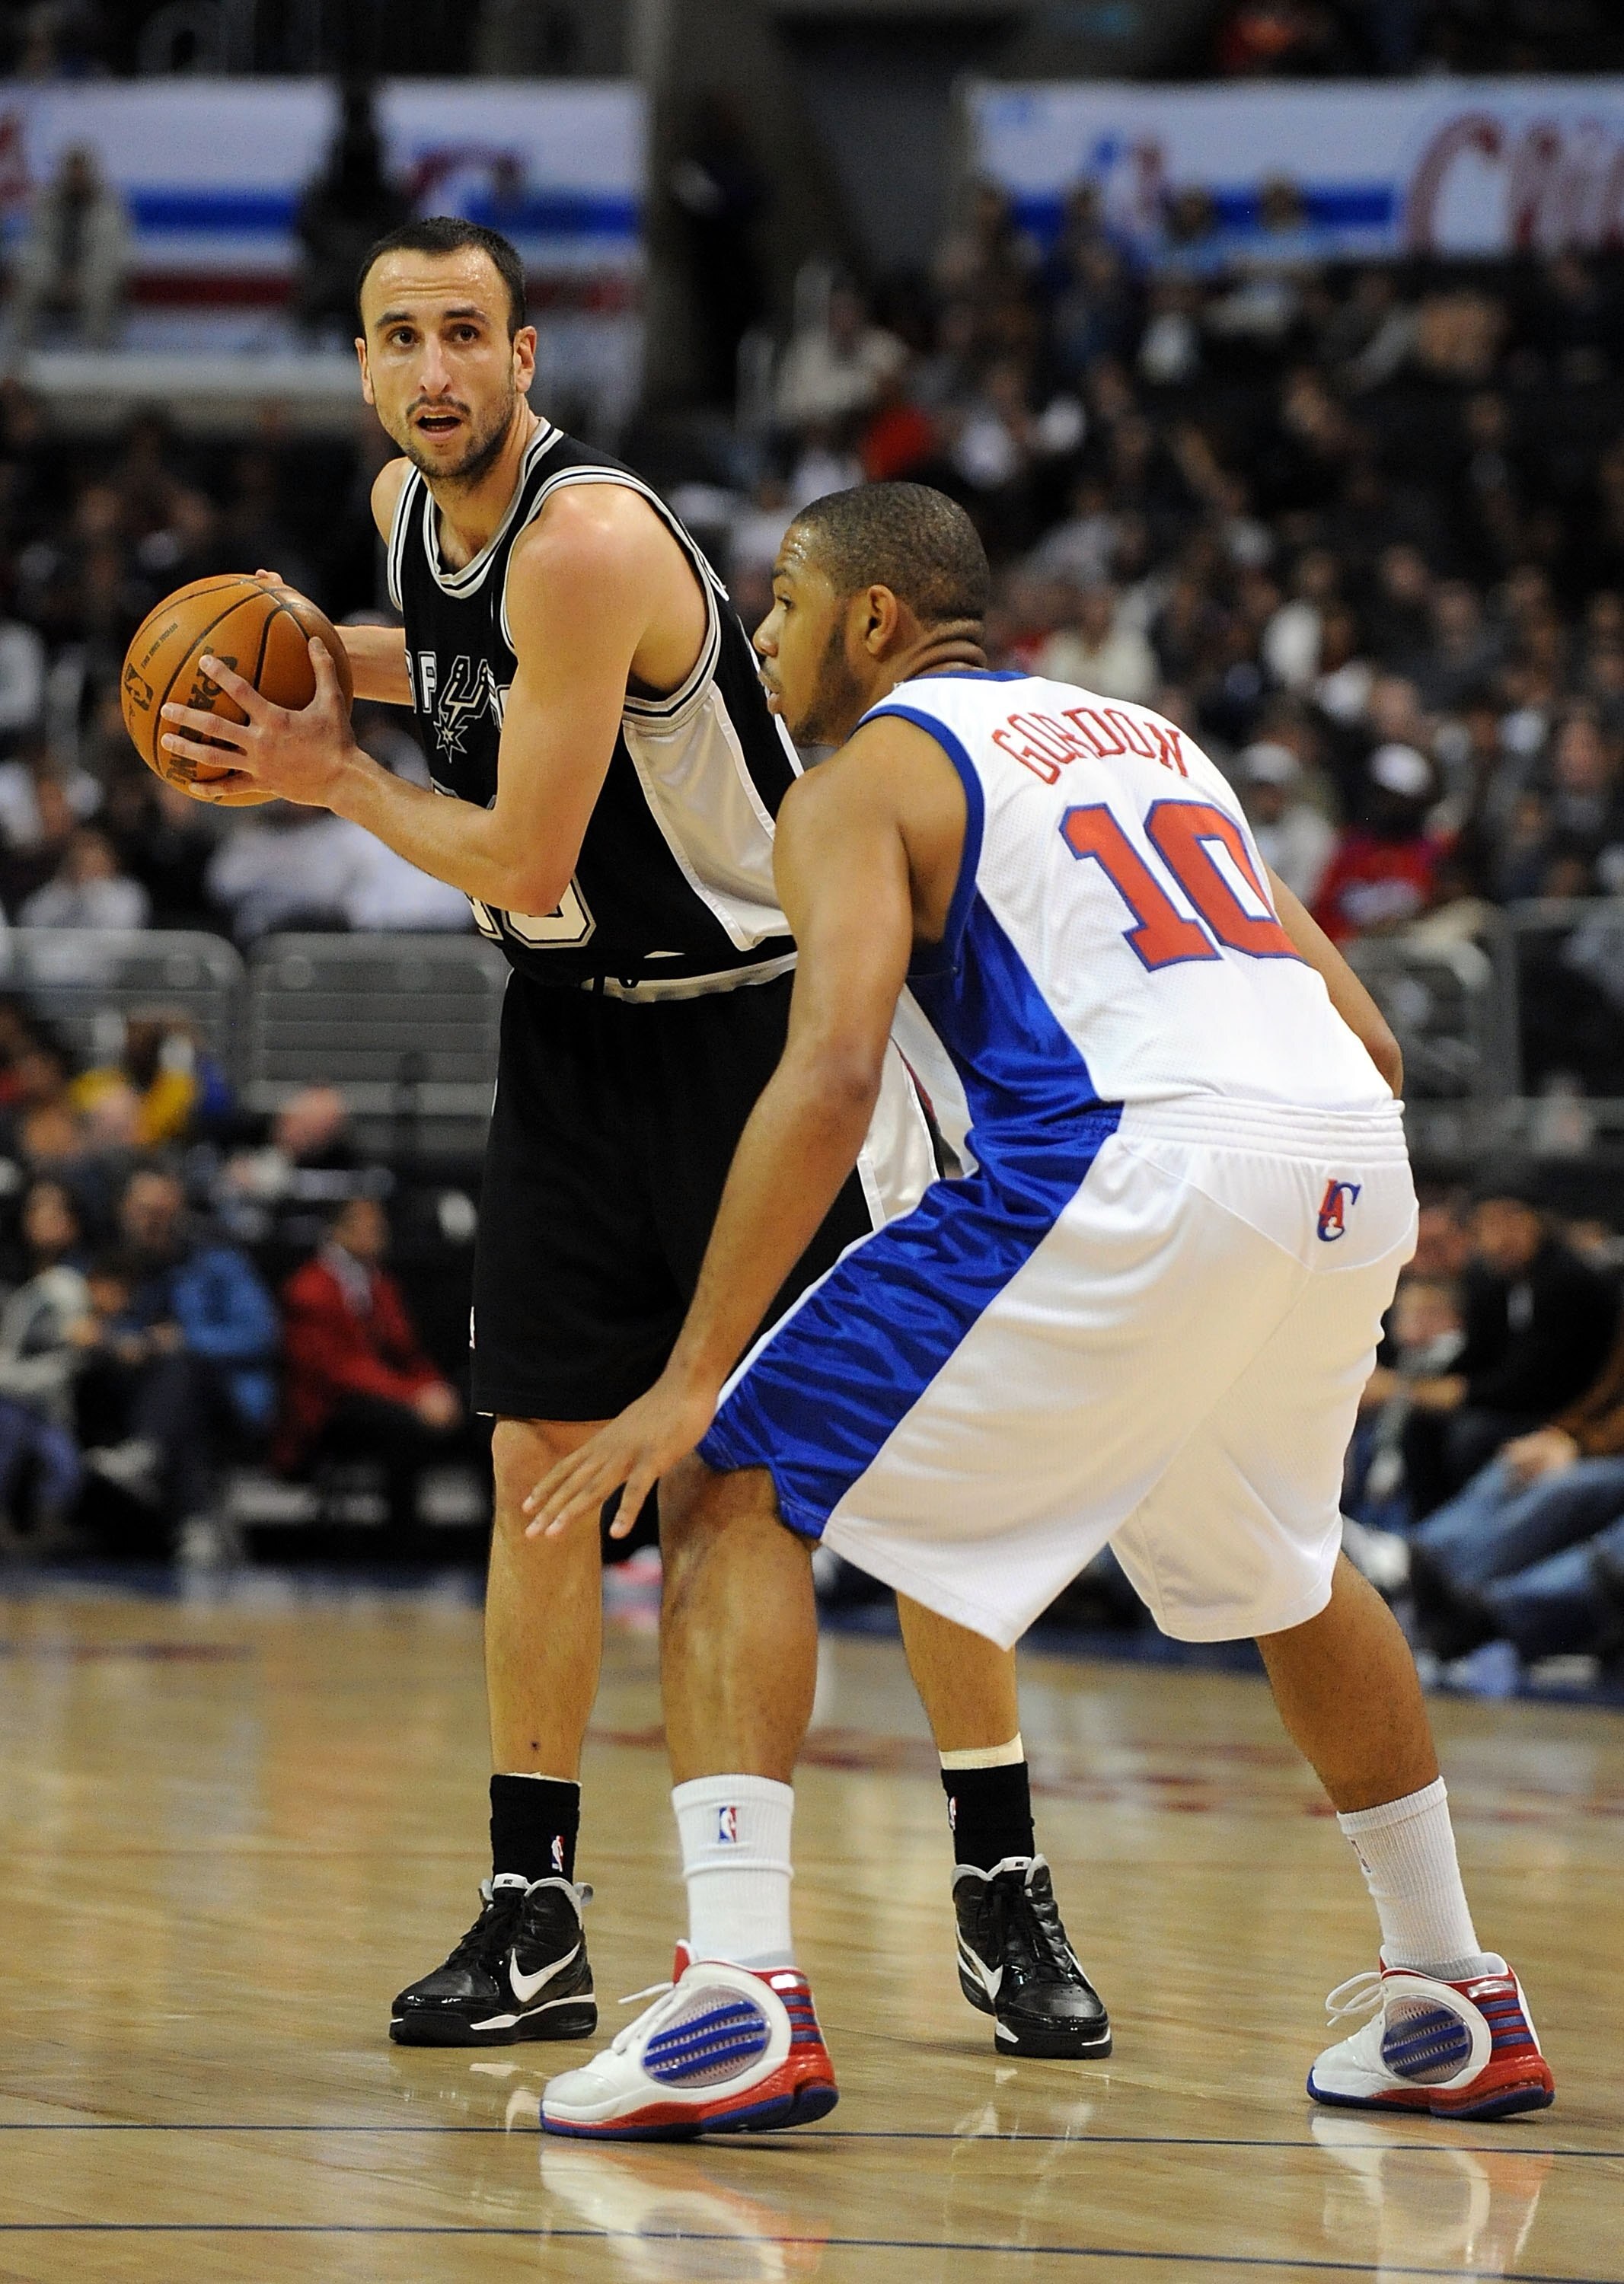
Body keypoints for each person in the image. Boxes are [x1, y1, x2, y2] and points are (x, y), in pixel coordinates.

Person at [157, 219, 1102, 2061]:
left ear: (525, 358)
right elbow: (446, 658)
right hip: (571, 1040)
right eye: (395, 337)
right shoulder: (403, 511)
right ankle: (533, 1911)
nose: (431, 370)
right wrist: (304, 670)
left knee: (820, 1483)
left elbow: (519, 850)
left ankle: (997, 1877)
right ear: (362, 367)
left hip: (763, 1032)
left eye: (464, 336)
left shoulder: (586, 538)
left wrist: (325, 775)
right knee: (541, 1467)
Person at [525, 482, 1552, 2138]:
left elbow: (834, 1062)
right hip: (1340, 1163)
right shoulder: (1153, 743)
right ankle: (1451, 1991)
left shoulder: (866, 777)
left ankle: (735, 1997)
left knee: (725, 1476)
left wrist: (690, 1368)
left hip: (1130, 1156)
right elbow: (1360, 1036)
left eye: (780, 602)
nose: (761, 633)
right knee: (1289, 1566)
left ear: (873, 621)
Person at [275, 1195, 462, 1531]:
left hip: (380, 1394)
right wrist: (413, 1396)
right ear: (339, 1232)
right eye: (370, 1227)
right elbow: (341, 1371)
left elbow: (406, 1351)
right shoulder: (309, 1289)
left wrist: (435, 1388)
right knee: (402, 1426)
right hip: (327, 1412)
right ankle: (403, 1535)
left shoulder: (379, 1284)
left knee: (474, 1417)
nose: (381, 1234)